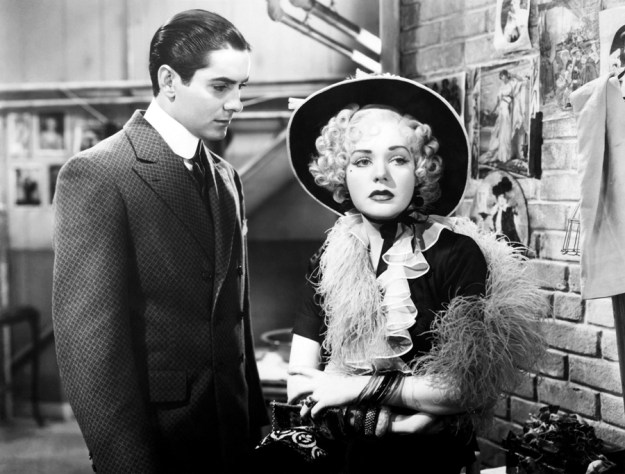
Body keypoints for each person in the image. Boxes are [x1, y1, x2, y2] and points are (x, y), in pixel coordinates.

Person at [256, 75, 546, 473]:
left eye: (398, 159)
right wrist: (397, 422)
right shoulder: (328, 258)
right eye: (362, 160)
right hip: (344, 463)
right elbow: (301, 385)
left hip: (431, 464)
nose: (381, 174)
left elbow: (463, 388)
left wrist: (352, 388)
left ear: (421, 170)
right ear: (342, 173)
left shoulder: (457, 254)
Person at [52, 9, 267, 474]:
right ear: (169, 80)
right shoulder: (98, 173)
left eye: (241, 87)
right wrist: (126, 464)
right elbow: (90, 349)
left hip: (233, 436)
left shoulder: (226, 177)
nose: (236, 104)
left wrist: (256, 429)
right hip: (160, 442)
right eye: (220, 86)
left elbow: (235, 320)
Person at [490, 176, 522, 247]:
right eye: (500, 197)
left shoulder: (509, 211)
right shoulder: (495, 213)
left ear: (506, 198)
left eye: (503, 197)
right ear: (497, 198)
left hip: (509, 242)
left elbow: (512, 229)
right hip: (498, 242)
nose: (502, 199)